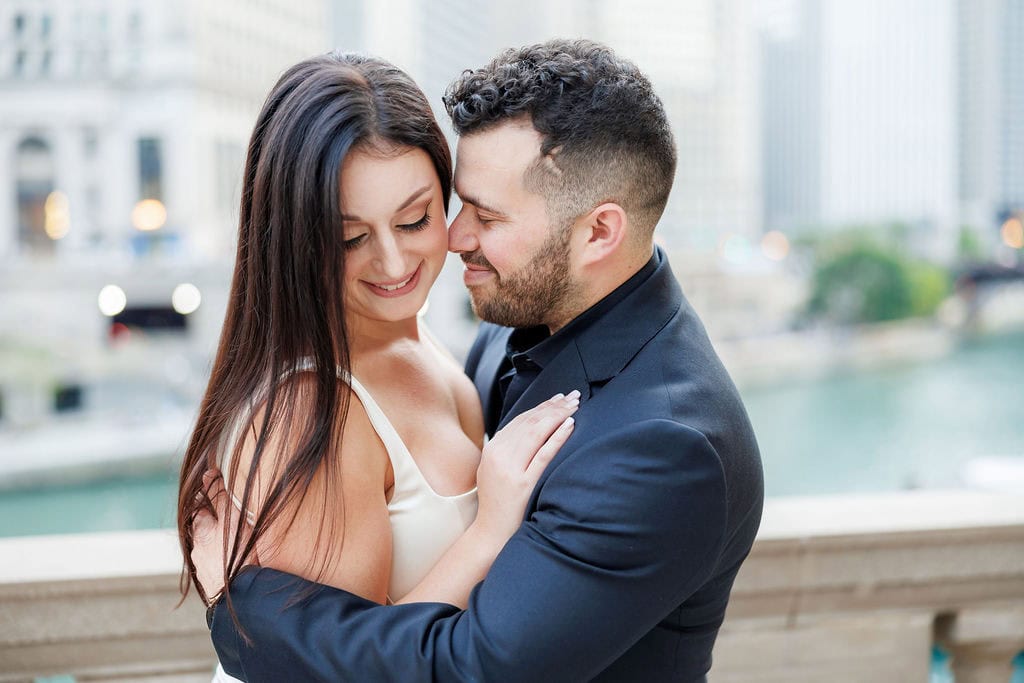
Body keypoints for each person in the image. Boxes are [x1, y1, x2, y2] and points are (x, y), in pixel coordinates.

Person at [194, 38, 764, 682]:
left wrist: (248, 612)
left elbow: (470, 669)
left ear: (599, 233)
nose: (457, 236)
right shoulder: (505, 330)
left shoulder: (662, 445)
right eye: (351, 236)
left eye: (478, 216)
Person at [175, 52, 580, 683]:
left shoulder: (421, 337)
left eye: (416, 219)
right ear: (294, 239)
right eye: (349, 238)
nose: (393, 263)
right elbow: (351, 671)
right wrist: (492, 529)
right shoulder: (312, 410)